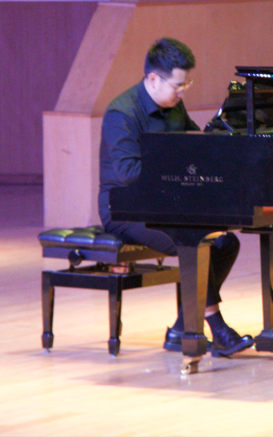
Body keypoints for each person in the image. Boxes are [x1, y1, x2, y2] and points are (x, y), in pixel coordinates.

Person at [98, 37, 254, 357]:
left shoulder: (173, 106)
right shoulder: (121, 113)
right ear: (153, 79)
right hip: (126, 210)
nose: (182, 92)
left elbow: (194, 143)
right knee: (194, 242)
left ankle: (182, 326)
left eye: (186, 85)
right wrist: (173, 171)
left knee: (226, 243)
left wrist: (224, 142)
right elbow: (127, 172)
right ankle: (218, 329)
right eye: (178, 86)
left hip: (166, 205)